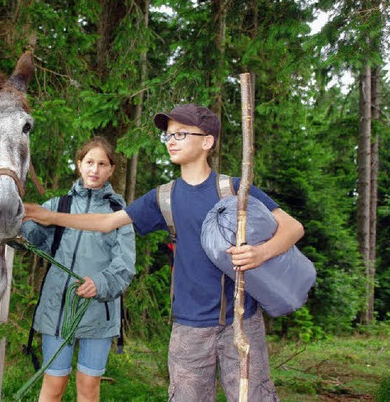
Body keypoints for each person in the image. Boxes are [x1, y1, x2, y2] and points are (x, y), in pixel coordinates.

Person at [24, 103, 304, 401]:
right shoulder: (163, 196)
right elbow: (107, 222)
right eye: (168, 135)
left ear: (207, 141)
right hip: (188, 326)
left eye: (180, 134)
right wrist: (51, 216)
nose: (171, 140)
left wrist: (261, 253)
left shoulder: (234, 190)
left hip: (241, 322)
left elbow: (292, 227)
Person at [21, 136, 136, 402]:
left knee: (88, 388)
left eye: (102, 164)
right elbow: (30, 240)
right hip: (57, 312)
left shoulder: (119, 213)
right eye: (89, 162)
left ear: (111, 169)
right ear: (79, 165)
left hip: (99, 311)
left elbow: (125, 265)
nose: (95, 169)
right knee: (53, 386)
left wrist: (100, 283)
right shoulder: (58, 206)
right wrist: (17, 220)